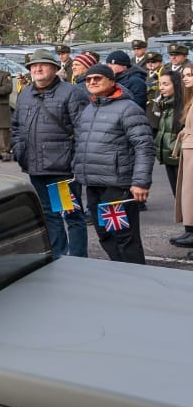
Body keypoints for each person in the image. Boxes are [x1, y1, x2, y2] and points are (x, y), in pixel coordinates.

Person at [11, 49, 90, 257]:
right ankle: (58, 255)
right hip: (36, 168)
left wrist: (76, 163)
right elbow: (16, 127)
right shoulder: (25, 93)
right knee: (49, 214)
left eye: (42, 65)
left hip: (60, 170)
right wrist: (20, 150)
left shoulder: (71, 93)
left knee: (69, 214)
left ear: (55, 69)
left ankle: (78, 258)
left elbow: (83, 131)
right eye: (33, 66)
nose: (37, 69)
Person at [74, 63, 153, 264]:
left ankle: (136, 279)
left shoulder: (128, 108)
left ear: (111, 81)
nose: (92, 82)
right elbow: (82, 143)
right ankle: (119, 273)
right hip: (94, 186)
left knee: (124, 237)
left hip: (116, 187)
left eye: (97, 78)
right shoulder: (89, 109)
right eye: (89, 79)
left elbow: (144, 146)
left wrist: (141, 182)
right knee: (105, 234)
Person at [153, 70, 182, 196]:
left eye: (165, 84)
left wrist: (176, 149)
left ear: (176, 85)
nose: (161, 88)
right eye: (160, 84)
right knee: (177, 196)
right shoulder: (166, 105)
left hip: (179, 158)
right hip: (169, 156)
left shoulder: (184, 106)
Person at [174, 68, 193, 248]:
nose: (186, 79)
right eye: (184, 76)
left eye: (190, 75)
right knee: (188, 194)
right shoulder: (191, 100)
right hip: (189, 150)